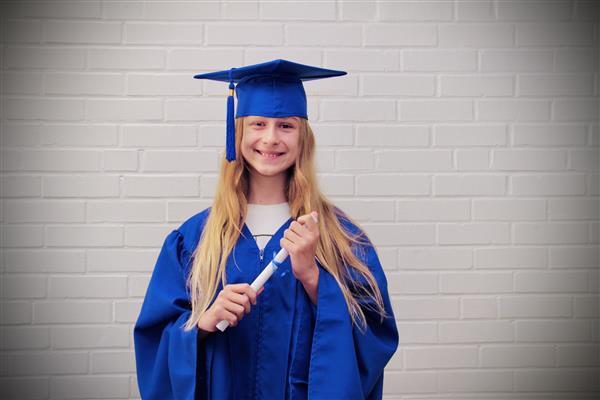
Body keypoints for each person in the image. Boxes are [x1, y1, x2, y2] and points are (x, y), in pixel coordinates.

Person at [133, 59, 399, 400]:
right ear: (238, 132)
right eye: (258, 124)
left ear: (303, 136)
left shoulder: (341, 237)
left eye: (286, 126)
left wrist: (314, 279)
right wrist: (201, 324)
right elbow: (155, 339)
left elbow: (375, 336)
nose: (271, 138)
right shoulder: (195, 239)